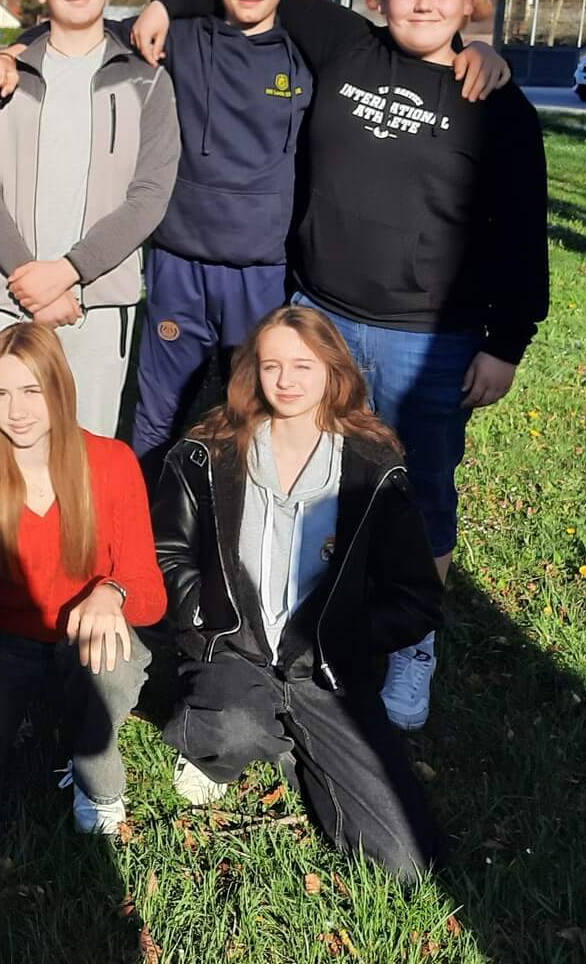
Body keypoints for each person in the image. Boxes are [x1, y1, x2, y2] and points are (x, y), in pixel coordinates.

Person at [136, 0, 547, 730]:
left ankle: (413, 645)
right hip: (320, 318)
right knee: (303, 475)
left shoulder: (496, 105)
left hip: (429, 337)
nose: (422, 5)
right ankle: (301, 611)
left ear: (467, 0)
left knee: (419, 488)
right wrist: (160, 3)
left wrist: (507, 343)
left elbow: (522, 235)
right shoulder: (345, 43)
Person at [0, 0, 512, 468]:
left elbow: (410, 48)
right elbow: (79, 26)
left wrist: (473, 47)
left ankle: (235, 514)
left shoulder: (315, 52)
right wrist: (14, 51)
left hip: (264, 272)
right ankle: (145, 511)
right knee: (156, 414)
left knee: (255, 413)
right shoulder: (176, 38)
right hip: (179, 264)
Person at [154, 306, 443, 880]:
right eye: (272, 366)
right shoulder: (209, 450)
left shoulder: (373, 466)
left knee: (408, 864)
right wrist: (205, 616)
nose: (286, 381)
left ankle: (292, 740)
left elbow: (416, 598)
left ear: (333, 371)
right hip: (235, 650)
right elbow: (166, 551)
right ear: (253, 372)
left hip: (325, 670)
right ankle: (223, 742)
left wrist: (346, 636)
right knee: (230, 727)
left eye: (303, 366)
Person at [0, 322, 165, 841]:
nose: (16, 410)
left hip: (86, 640)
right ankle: (22, 719)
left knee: (108, 663)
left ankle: (95, 774)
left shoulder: (111, 462)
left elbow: (151, 595)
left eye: (31, 390)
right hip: (8, 650)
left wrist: (112, 591)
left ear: (59, 388)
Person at [0, 0, 180, 437]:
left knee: (87, 453)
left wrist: (69, 272)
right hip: (12, 298)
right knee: (8, 453)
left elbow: (149, 197)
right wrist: (32, 281)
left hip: (97, 305)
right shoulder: (2, 79)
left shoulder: (148, 81)